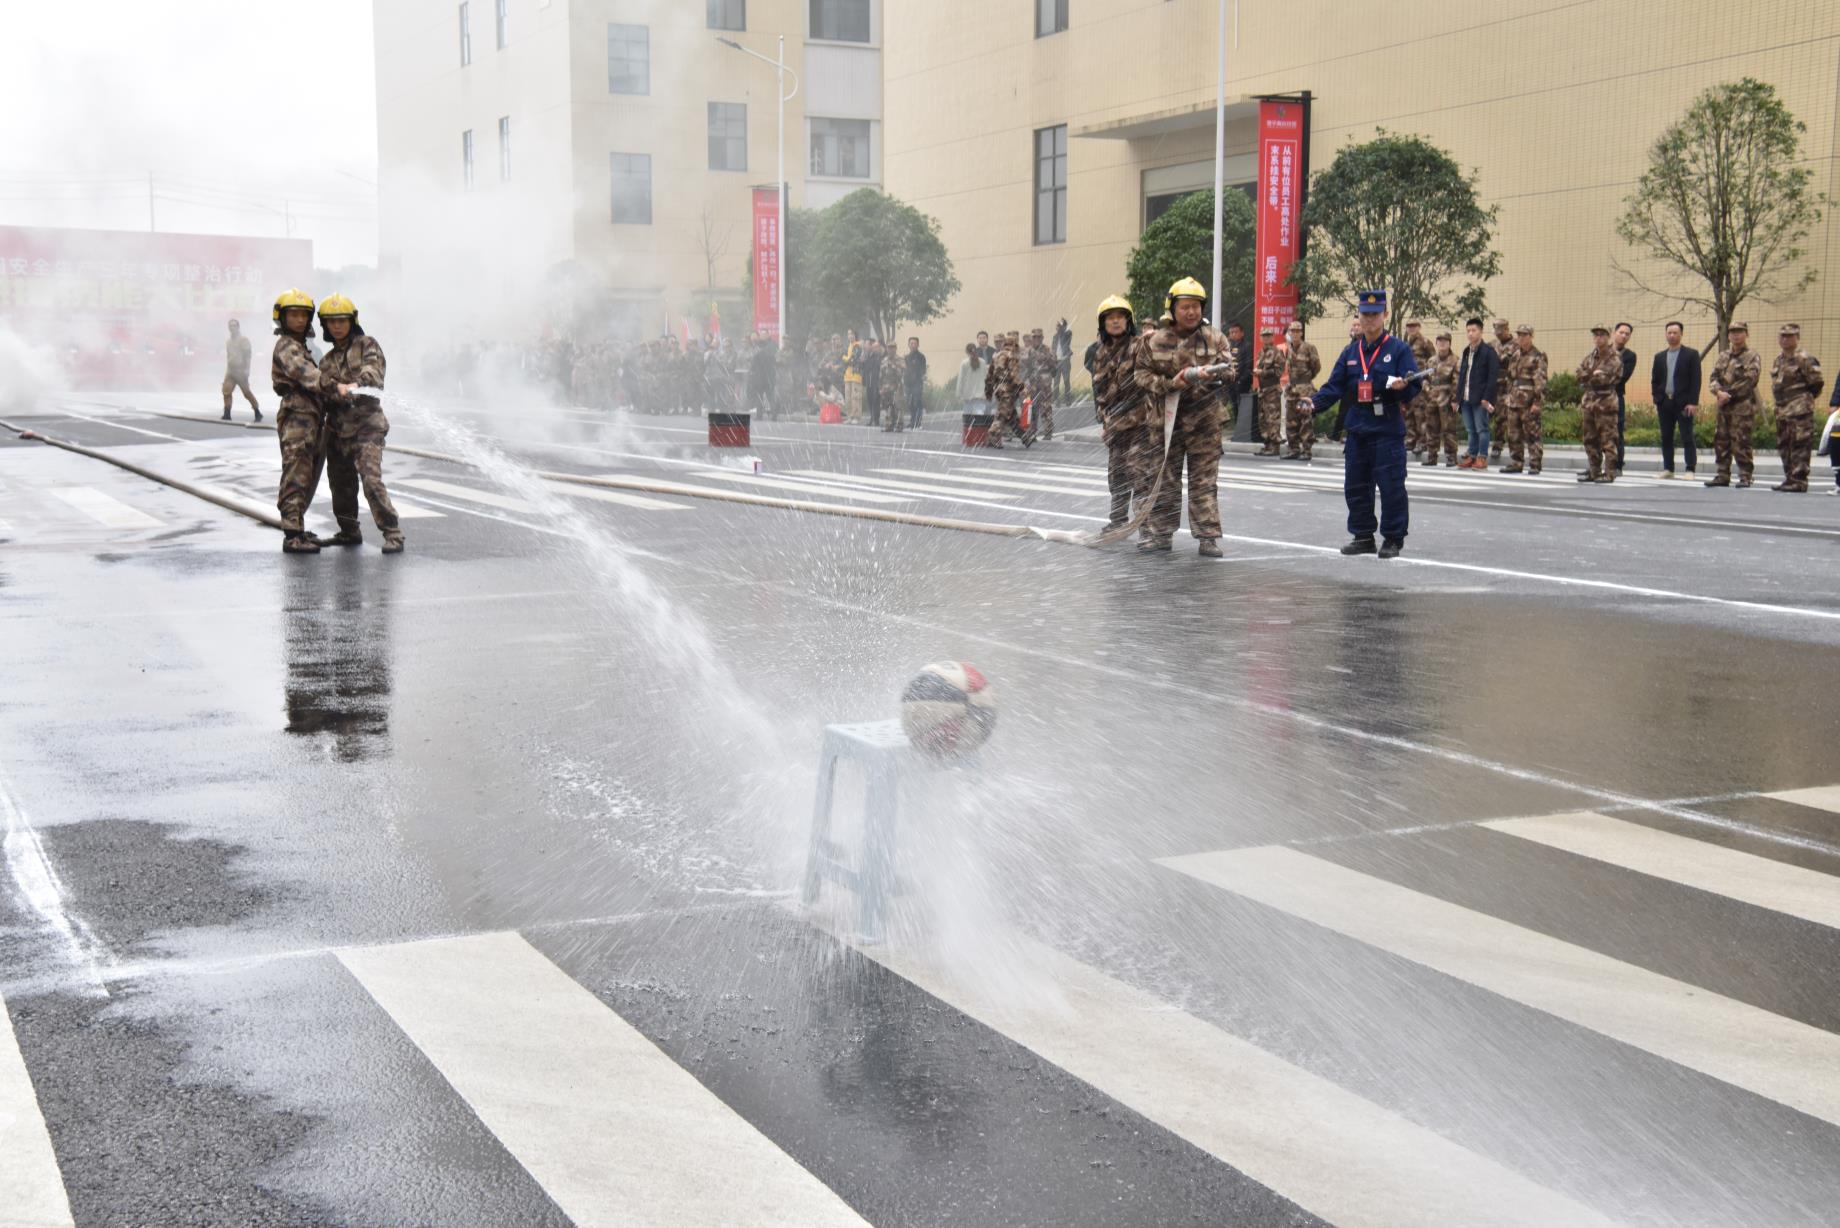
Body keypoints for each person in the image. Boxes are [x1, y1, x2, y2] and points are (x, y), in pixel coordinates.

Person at [1311, 290, 1419, 558]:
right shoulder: (1350, 351)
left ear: (1385, 315)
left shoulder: (1398, 349)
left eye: (1375, 314)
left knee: (1392, 486)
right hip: (1358, 428)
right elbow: (1334, 386)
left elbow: (1414, 384)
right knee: (1356, 486)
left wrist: (1402, 387)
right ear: (1358, 315)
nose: (1370, 319)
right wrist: (1313, 404)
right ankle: (1362, 536)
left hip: (1387, 429)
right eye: (1365, 314)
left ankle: (1393, 539)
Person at [1131, 277, 1235, 557]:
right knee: (1165, 480)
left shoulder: (1215, 337)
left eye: (1196, 307)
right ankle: (1160, 534)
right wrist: (1170, 384)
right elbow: (1140, 375)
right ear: (1172, 309)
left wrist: (1210, 374)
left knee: (1204, 482)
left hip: (1205, 423)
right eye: (1185, 307)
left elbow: (1230, 370)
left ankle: (1208, 538)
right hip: (1166, 424)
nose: (1191, 312)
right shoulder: (1154, 340)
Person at [315, 294, 404, 553]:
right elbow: (323, 392)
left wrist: (355, 384)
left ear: (351, 321)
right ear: (325, 325)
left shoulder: (367, 345)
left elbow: (374, 373)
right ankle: (348, 531)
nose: (337, 326)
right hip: (339, 429)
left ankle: (393, 532)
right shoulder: (327, 361)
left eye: (342, 320)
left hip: (367, 426)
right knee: (340, 483)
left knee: (370, 479)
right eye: (331, 322)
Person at [270, 288, 329, 555]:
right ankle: (292, 535)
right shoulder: (286, 346)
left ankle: (298, 526)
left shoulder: (300, 346)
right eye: (293, 315)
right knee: (296, 472)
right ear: (282, 318)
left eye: (304, 315)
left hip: (310, 416)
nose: (300, 320)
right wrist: (338, 387)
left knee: (307, 473)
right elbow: (309, 376)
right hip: (297, 417)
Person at [1091, 295, 1149, 531]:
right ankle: (1117, 521)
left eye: (1120, 317)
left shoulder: (1139, 346)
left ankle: (1146, 527)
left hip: (1140, 423)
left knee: (1140, 473)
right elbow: (1100, 392)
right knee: (1117, 474)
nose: (1115, 322)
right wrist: (1105, 423)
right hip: (1115, 425)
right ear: (1103, 324)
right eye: (1110, 318)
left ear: (1128, 321)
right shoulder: (1101, 353)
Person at [1706, 321, 1762, 487]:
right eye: (1732, 332)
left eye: (1740, 332)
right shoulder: (1724, 356)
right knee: (1721, 440)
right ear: (1728, 335)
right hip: (1724, 406)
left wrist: (1728, 394)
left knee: (1741, 441)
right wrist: (1718, 392)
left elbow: (1750, 380)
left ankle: (1745, 476)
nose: (1736, 335)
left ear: (1746, 334)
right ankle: (1722, 475)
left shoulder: (1752, 356)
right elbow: (1713, 377)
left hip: (1741, 406)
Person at [1769, 323, 1822, 492]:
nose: (1785, 339)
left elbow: (1816, 383)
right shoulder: (1779, 359)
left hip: (1799, 410)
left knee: (1800, 445)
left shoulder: (1805, 359)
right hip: (1782, 411)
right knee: (1784, 444)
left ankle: (1799, 481)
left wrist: (1802, 400)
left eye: (1790, 336)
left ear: (1797, 338)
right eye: (1782, 336)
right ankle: (1789, 478)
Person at [1649, 321, 1701, 479]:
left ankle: (1690, 469)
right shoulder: (1659, 357)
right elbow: (1655, 380)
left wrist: (1693, 402)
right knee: (1666, 436)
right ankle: (1668, 468)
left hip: (1684, 403)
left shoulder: (1691, 354)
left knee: (1687, 436)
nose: (1672, 335)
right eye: (1669, 332)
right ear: (1666, 334)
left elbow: (1696, 380)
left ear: (1681, 334)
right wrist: (1658, 398)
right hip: (1665, 402)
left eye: (1675, 333)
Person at [1575, 326, 1624, 484]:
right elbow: (1578, 375)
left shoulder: (1614, 358)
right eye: (1596, 335)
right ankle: (1594, 471)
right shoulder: (1590, 357)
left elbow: (1604, 379)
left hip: (1606, 404)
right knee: (1590, 439)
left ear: (1608, 337)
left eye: (1602, 335)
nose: (1598, 338)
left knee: (1608, 439)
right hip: (1589, 403)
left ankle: (1609, 472)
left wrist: (1589, 375)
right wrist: (1593, 374)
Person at [1501, 325, 1548, 475]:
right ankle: (1516, 462)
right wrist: (1508, 396)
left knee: (1532, 434)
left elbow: (1541, 382)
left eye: (1525, 335)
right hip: (1514, 400)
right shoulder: (1515, 355)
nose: (1521, 338)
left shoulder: (1538, 356)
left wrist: (1537, 402)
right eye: (1519, 335)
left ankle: (1535, 463)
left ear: (1531, 336)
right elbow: (1510, 378)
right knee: (1513, 434)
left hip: (1528, 402)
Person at [1455, 318, 1499, 469]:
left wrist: (1487, 398)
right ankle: (1472, 456)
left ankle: (1482, 457)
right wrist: (1457, 398)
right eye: (1468, 331)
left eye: (1474, 330)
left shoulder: (1489, 352)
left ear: (1480, 331)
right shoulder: (1467, 351)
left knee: (1482, 429)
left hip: (1480, 398)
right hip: (1466, 397)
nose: (1470, 334)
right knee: (1470, 430)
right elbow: (1462, 376)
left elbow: (1492, 378)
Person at [1420, 331, 1460, 466]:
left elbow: (1457, 382)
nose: (1442, 344)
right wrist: (1427, 389)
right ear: (1436, 343)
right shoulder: (1431, 360)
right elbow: (1424, 378)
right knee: (1431, 427)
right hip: (1431, 397)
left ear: (1449, 344)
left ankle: (1451, 456)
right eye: (1440, 341)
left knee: (1448, 428)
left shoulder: (1455, 360)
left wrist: (1455, 399)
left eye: (1445, 341)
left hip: (1447, 397)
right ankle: (1432, 456)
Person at [1283, 320, 1321, 460]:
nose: (1294, 334)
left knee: (1305, 420)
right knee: (1291, 420)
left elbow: (1316, 366)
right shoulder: (1289, 348)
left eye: (1297, 331)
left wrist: (1307, 379)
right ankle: (1293, 449)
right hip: (1292, 388)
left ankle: (1306, 450)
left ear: (1301, 333)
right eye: (1292, 331)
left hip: (1304, 388)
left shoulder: (1309, 348)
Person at [985, 331, 1027, 448]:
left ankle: (1025, 437)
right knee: (1002, 415)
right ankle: (992, 436)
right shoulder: (1011, 356)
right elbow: (1014, 375)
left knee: (1011, 415)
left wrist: (988, 392)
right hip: (1008, 390)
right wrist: (1022, 388)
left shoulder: (996, 356)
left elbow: (989, 376)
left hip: (998, 389)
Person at [1403, 321, 1435, 456]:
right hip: (1408, 382)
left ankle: (1422, 442)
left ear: (1419, 327)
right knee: (1409, 412)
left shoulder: (1425, 342)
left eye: (1414, 326)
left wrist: (1428, 381)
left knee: (1420, 413)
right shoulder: (1405, 343)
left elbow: (1433, 362)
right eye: (1409, 327)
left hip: (1420, 382)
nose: (1411, 329)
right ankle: (1411, 440)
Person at [1254, 327, 1286, 456]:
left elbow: (1279, 371)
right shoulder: (1261, 352)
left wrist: (1263, 372)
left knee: (1273, 418)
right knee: (1263, 418)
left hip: (1272, 389)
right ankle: (1267, 444)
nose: (1266, 338)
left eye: (1268, 336)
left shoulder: (1277, 352)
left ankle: (1274, 446)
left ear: (1272, 337)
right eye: (1264, 336)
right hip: (1263, 389)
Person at [222, 319, 261, 422]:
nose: (232, 327)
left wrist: (247, 369)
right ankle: (227, 413)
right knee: (226, 391)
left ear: (238, 327)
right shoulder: (228, 342)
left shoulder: (243, 340)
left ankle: (257, 411)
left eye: (234, 325)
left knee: (246, 392)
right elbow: (228, 355)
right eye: (230, 326)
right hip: (230, 370)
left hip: (240, 370)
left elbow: (248, 355)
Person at [1489, 318, 1516, 463]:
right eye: (1496, 331)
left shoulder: (1516, 345)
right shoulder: (1491, 344)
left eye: (1501, 331)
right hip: (1492, 386)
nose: (1498, 334)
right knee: (1484, 416)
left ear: (1507, 329)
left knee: (1501, 418)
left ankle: (1498, 446)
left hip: (1506, 387)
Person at [1024, 327, 1056, 441]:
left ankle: (1048, 432)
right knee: (1031, 408)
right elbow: (1024, 368)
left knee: (1046, 407)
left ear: (1042, 338)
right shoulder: (1028, 351)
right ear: (1031, 338)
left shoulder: (1048, 350)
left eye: (1038, 337)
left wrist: (1047, 376)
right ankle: (1032, 433)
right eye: (1034, 337)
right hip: (1032, 383)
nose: (1036, 339)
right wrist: (1026, 380)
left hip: (1045, 383)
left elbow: (1054, 367)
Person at [1613, 322, 1637, 473]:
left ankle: (1617, 465)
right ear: (1614, 333)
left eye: (1627, 334)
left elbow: (1622, 376)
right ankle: (1594, 464)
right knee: (1595, 432)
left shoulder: (1629, 356)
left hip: (1616, 397)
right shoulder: (1601, 351)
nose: (1623, 336)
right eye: (1621, 332)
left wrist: (1600, 376)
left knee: (1617, 431)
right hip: (1597, 397)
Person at [1226, 321, 1253, 435]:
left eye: (1235, 332)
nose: (1233, 334)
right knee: (1234, 404)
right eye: (1231, 332)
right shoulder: (1228, 346)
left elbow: (1248, 365)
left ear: (1242, 333)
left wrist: (1241, 380)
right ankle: (1237, 429)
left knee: (1242, 404)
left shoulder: (1247, 346)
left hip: (1242, 381)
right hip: (1231, 381)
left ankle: (1243, 430)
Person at [957, 342, 988, 424]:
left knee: (967, 415)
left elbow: (961, 379)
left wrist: (959, 393)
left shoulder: (964, 363)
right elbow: (987, 378)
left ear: (966, 352)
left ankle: (968, 433)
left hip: (968, 394)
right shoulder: (983, 362)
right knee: (980, 414)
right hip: (980, 393)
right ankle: (979, 432)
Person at [903, 337, 928, 430]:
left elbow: (923, 370)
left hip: (917, 383)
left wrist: (915, 374)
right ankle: (912, 421)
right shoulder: (906, 357)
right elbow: (904, 369)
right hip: (908, 383)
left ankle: (918, 422)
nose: (913, 345)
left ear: (918, 345)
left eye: (915, 343)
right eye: (911, 343)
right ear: (908, 345)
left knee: (917, 402)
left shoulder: (921, 357)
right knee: (909, 403)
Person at [842, 328, 864, 422]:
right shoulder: (848, 346)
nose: (850, 336)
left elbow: (852, 359)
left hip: (856, 375)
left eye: (852, 334)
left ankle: (856, 416)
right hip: (848, 375)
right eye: (848, 334)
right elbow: (847, 360)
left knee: (856, 397)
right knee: (848, 397)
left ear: (855, 335)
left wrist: (844, 358)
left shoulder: (858, 345)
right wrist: (846, 359)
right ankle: (850, 416)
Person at [1051, 317, 1074, 401]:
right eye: (1057, 326)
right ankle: (1056, 399)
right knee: (1056, 381)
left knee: (1066, 381)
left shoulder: (1067, 334)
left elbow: (1066, 337)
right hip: (1057, 362)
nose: (1057, 328)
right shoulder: (1055, 336)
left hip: (1065, 361)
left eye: (1059, 326)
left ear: (1063, 327)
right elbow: (1053, 348)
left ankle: (1068, 399)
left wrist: (1063, 326)